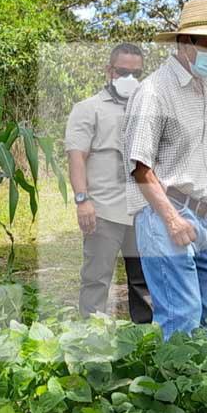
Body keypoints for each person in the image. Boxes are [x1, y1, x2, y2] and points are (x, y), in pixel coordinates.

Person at [125, 0, 207, 340]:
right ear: (184, 42)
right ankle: (177, 393)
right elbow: (140, 167)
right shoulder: (153, 91)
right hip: (167, 215)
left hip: (201, 217)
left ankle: (206, 393)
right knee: (182, 320)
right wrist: (173, 219)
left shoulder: (203, 87)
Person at [66, 44, 154, 323]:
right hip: (103, 211)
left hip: (141, 211)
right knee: (96, 279)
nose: (129, 78)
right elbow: (77, 158)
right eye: (122, 71)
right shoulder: (87, 109)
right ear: (109, 71)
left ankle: (145, 341)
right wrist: (83, 200)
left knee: (144, 283)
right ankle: (91, 342)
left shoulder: (148, 109)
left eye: (135, 72)